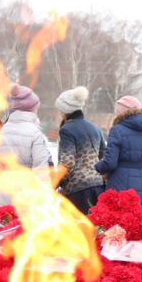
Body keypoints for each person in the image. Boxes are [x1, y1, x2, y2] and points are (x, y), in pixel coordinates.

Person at [95, 95, 142, 212]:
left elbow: (110, 162)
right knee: (137, 222)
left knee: (116, 222)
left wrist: (98, 166)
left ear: (120, 113)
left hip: (119, 188)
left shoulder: (117, 130)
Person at [0, 84, 52, 206]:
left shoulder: (1, 131)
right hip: (27, 194)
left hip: (2, 191)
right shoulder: (35, 133)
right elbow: (41, 169)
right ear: (32, 109)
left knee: (4, 217)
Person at [55, 86, 106, 215]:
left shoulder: (67, 130)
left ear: (65, 110)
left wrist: (56, 182)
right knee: (94, 225)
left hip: (77, 190)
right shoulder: (95, 128)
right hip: (98, 187)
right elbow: (103, 156)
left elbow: (67, 162)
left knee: (75, 226)